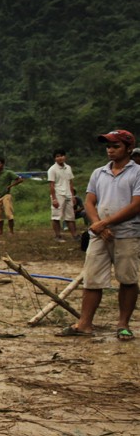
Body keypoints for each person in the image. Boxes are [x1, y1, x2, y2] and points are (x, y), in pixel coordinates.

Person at [58, 130, 140, 340]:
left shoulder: (137, 172)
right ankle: (85, 324)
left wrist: (106, 222)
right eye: (108, 147)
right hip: (98, 234)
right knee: (92, 279)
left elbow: (136, 205)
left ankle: (123, 324)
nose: (110, 151)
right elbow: (89, 201)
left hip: (127, 233)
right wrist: (98, 225)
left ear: (129, 148)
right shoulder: (99, 173)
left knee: (127, 279)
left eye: (116, 146)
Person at [48, 149, 78, 242]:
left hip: (68, 194)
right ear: (54, 158)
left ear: (65, 156)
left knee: (70, 216)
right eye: (57, 156)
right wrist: (54, 199)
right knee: (56, 216)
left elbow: (71, 182)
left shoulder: (68, 167)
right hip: (58, 194)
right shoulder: (52, 169)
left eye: (61, 155)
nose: (60, 158)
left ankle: (75, 235)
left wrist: (73, 196)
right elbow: (51, 185)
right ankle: (58, 236)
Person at [0, 157, 25, 235]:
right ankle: (0, 231)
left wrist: (10, 186)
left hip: (6, 195)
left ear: (2, 164)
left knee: (9, 214)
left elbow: (20, 179)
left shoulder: (8, 173)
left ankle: (11, 231)